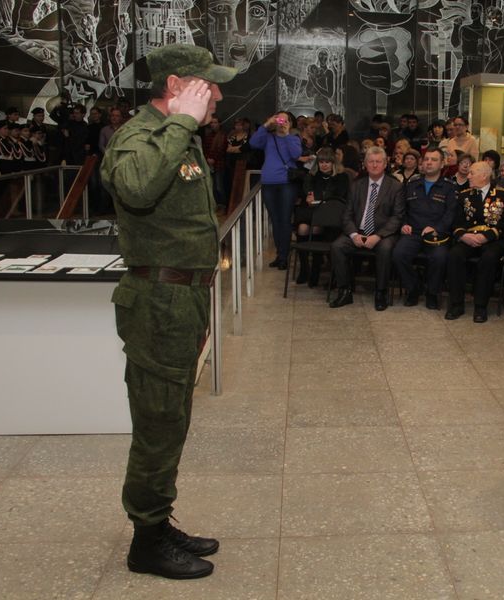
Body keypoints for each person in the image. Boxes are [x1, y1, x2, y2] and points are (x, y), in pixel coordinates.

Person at [101, 43, 237, 579]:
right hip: (158, 303)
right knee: (158, 420)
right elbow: (135, 186)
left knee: (173, 415)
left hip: (182, 299)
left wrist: (183, 126)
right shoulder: (139, 137)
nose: (219, 94)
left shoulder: (179, 135)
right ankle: (146, 540)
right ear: (177, 85)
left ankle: (158, 522)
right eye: (210, 84)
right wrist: (181, 123)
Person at [329, 146, 405, 311]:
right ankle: (344, 291)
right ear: (365, 164)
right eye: (371, 162)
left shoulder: (395, 186)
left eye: (378, 162)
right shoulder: (357, 185)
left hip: (383, 234)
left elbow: (397, 217)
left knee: (385, 249)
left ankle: (381, 292)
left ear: (385, 164)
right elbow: (346, 215)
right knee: (337, 246)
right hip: (359, 231)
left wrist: (377, 236)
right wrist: (354, 234)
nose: (375, 165)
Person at [445, 160, 504, 323]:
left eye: (472, 173)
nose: (468, 176)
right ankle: (456, 304)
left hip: (493, 239)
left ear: (484, 175)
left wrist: (487, 236)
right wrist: (463, 236)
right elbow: (456, 222)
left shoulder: (503, 194)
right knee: (455, 255)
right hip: (469, 238)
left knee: (489, 258)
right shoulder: (465, 195)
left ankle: (480, 306)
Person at [392, 147, 457, 309]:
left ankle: (432, 293)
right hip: (412, 231)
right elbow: (402, 209)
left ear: (442, 164)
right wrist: (403, 224)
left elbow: (451, 214)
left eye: (434, 160)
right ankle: (413, 288)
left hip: (437, 233)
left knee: (440, 257)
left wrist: (437, 228)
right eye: (426, 159)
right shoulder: (412, 184)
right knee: (398, 254)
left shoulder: (449, 187)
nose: (428, 162)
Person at [250, 110, 302, 270]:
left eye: (285, 120)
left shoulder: (293, 138)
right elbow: (253, 143)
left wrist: (286, 135)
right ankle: (280, 254)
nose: (282, 123)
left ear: (291, 124)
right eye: (279, 120)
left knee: (285, 220)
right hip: (269, 183)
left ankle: (284, 256)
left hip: (286, 183)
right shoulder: (268, 137)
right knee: (275, 220)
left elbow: (296, 154)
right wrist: (266, 125)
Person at [295, 146, 350, 286]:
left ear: (333, 163)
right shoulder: (312, 176)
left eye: (327, 162)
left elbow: (338, 196)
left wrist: (319, 198)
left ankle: (315, 270)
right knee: (302, 228)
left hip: (332, 214)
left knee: (316, 228)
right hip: (312, 211)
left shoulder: (341, 177)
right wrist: (310, 198)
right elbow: (307, 193)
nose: (324, 165)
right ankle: (305, 269)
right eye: (321, 162)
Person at [201, 113, 228, 208]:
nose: (213, 124)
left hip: (219, 164)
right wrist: (207, 158)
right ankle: (216, 205)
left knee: (220, 187)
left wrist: (214, 159)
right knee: (212, 187)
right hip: (209, 164)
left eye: (215, 122)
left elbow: (222, 150)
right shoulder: (208, 136)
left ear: (219, 124)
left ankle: (223, 205)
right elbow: (204, 149)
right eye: (211, 123)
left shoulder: (223, 136)